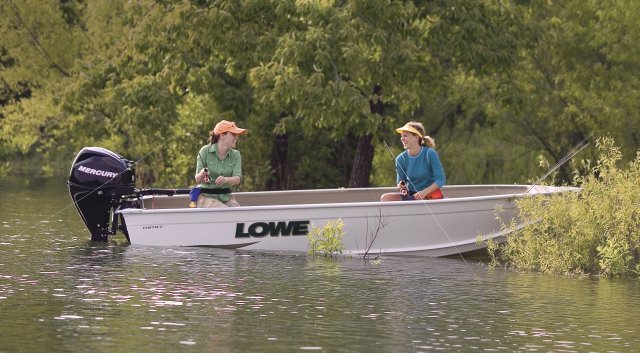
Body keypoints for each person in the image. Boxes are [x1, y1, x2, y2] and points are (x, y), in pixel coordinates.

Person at [380, 121, 446, 202]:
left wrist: (423, 193)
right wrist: (401, 186)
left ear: (416, 137)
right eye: (401, 136)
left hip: (431, 198)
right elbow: (399, 181)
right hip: (413, 197)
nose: (402, 138)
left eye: (405, 136)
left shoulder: (430, 154)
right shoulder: (400, 159)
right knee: (385, 198)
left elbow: (441, 180)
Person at [194, 120, 247, 208]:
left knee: (240, 214)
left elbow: (237, 179)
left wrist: (225, 179)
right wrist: (202, 173)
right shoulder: (204, 151)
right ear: (222, 135)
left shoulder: (236, 154)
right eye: (233, 134)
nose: (236, 137)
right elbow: (198, 179)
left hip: (227, 197)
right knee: (224, 212)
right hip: (206, 198)